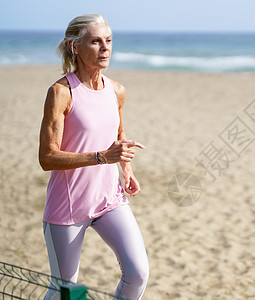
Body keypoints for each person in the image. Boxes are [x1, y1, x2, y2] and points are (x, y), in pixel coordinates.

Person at [38, 14, 149, 300]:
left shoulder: (117, 90)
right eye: (96, 41)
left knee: (137, 274)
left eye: (109, 41)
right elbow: (47, 157)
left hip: (109, 199)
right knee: (66, 290)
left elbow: (118, 135)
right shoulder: (61, 92)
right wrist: (101, 157)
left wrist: (125, 167)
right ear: (75, 47)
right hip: (68, 207)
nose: (105, 48)